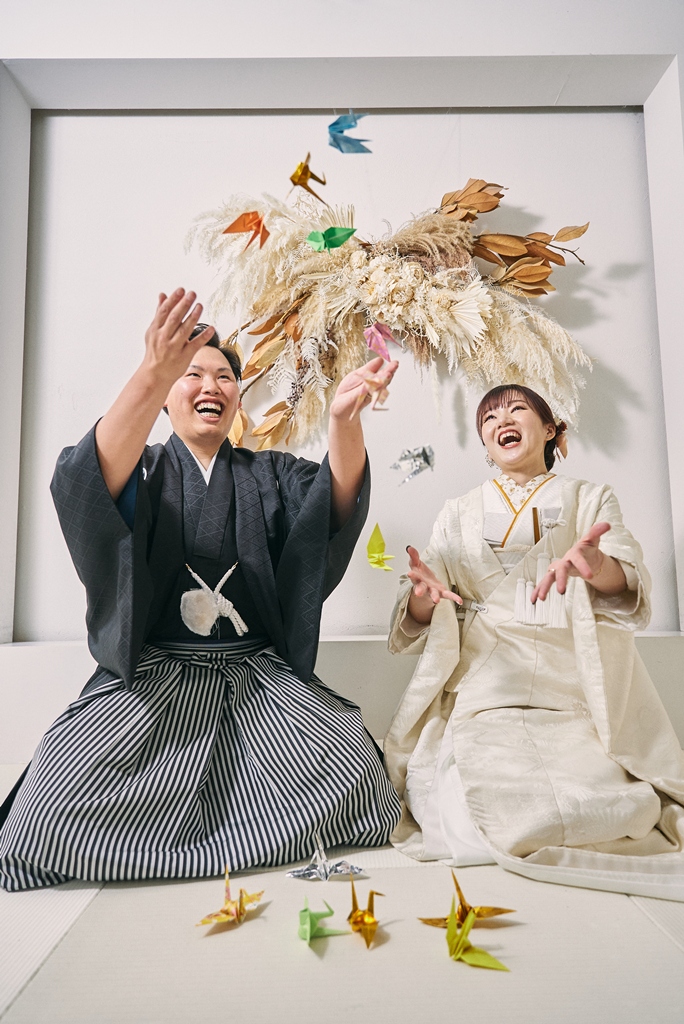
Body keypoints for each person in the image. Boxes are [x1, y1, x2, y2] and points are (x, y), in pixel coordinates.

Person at [0, 288, 401, 891]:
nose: (211, 385)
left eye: (224, 377)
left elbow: (332, 508)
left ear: (237, 398)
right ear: (165, 397)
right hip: (156, 677)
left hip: (257, 680)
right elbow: (85, 482)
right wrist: (152, 371)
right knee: (55, 798)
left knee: (352, 763)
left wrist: (344, 423)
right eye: (191, 374)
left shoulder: (270, 472)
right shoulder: (142, 467)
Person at [385, 384, 684, 900]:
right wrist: (423, 596)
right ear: (485, 441)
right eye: (489, 417)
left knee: (605, 803)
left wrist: (594, 565)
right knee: (460, 811)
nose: (502, 420)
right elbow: (420, 606)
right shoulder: (457, 511)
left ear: (549, 429)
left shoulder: (588, 498)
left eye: (517, 409)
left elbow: (626, 586)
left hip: (569, 680)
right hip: (486, 679)